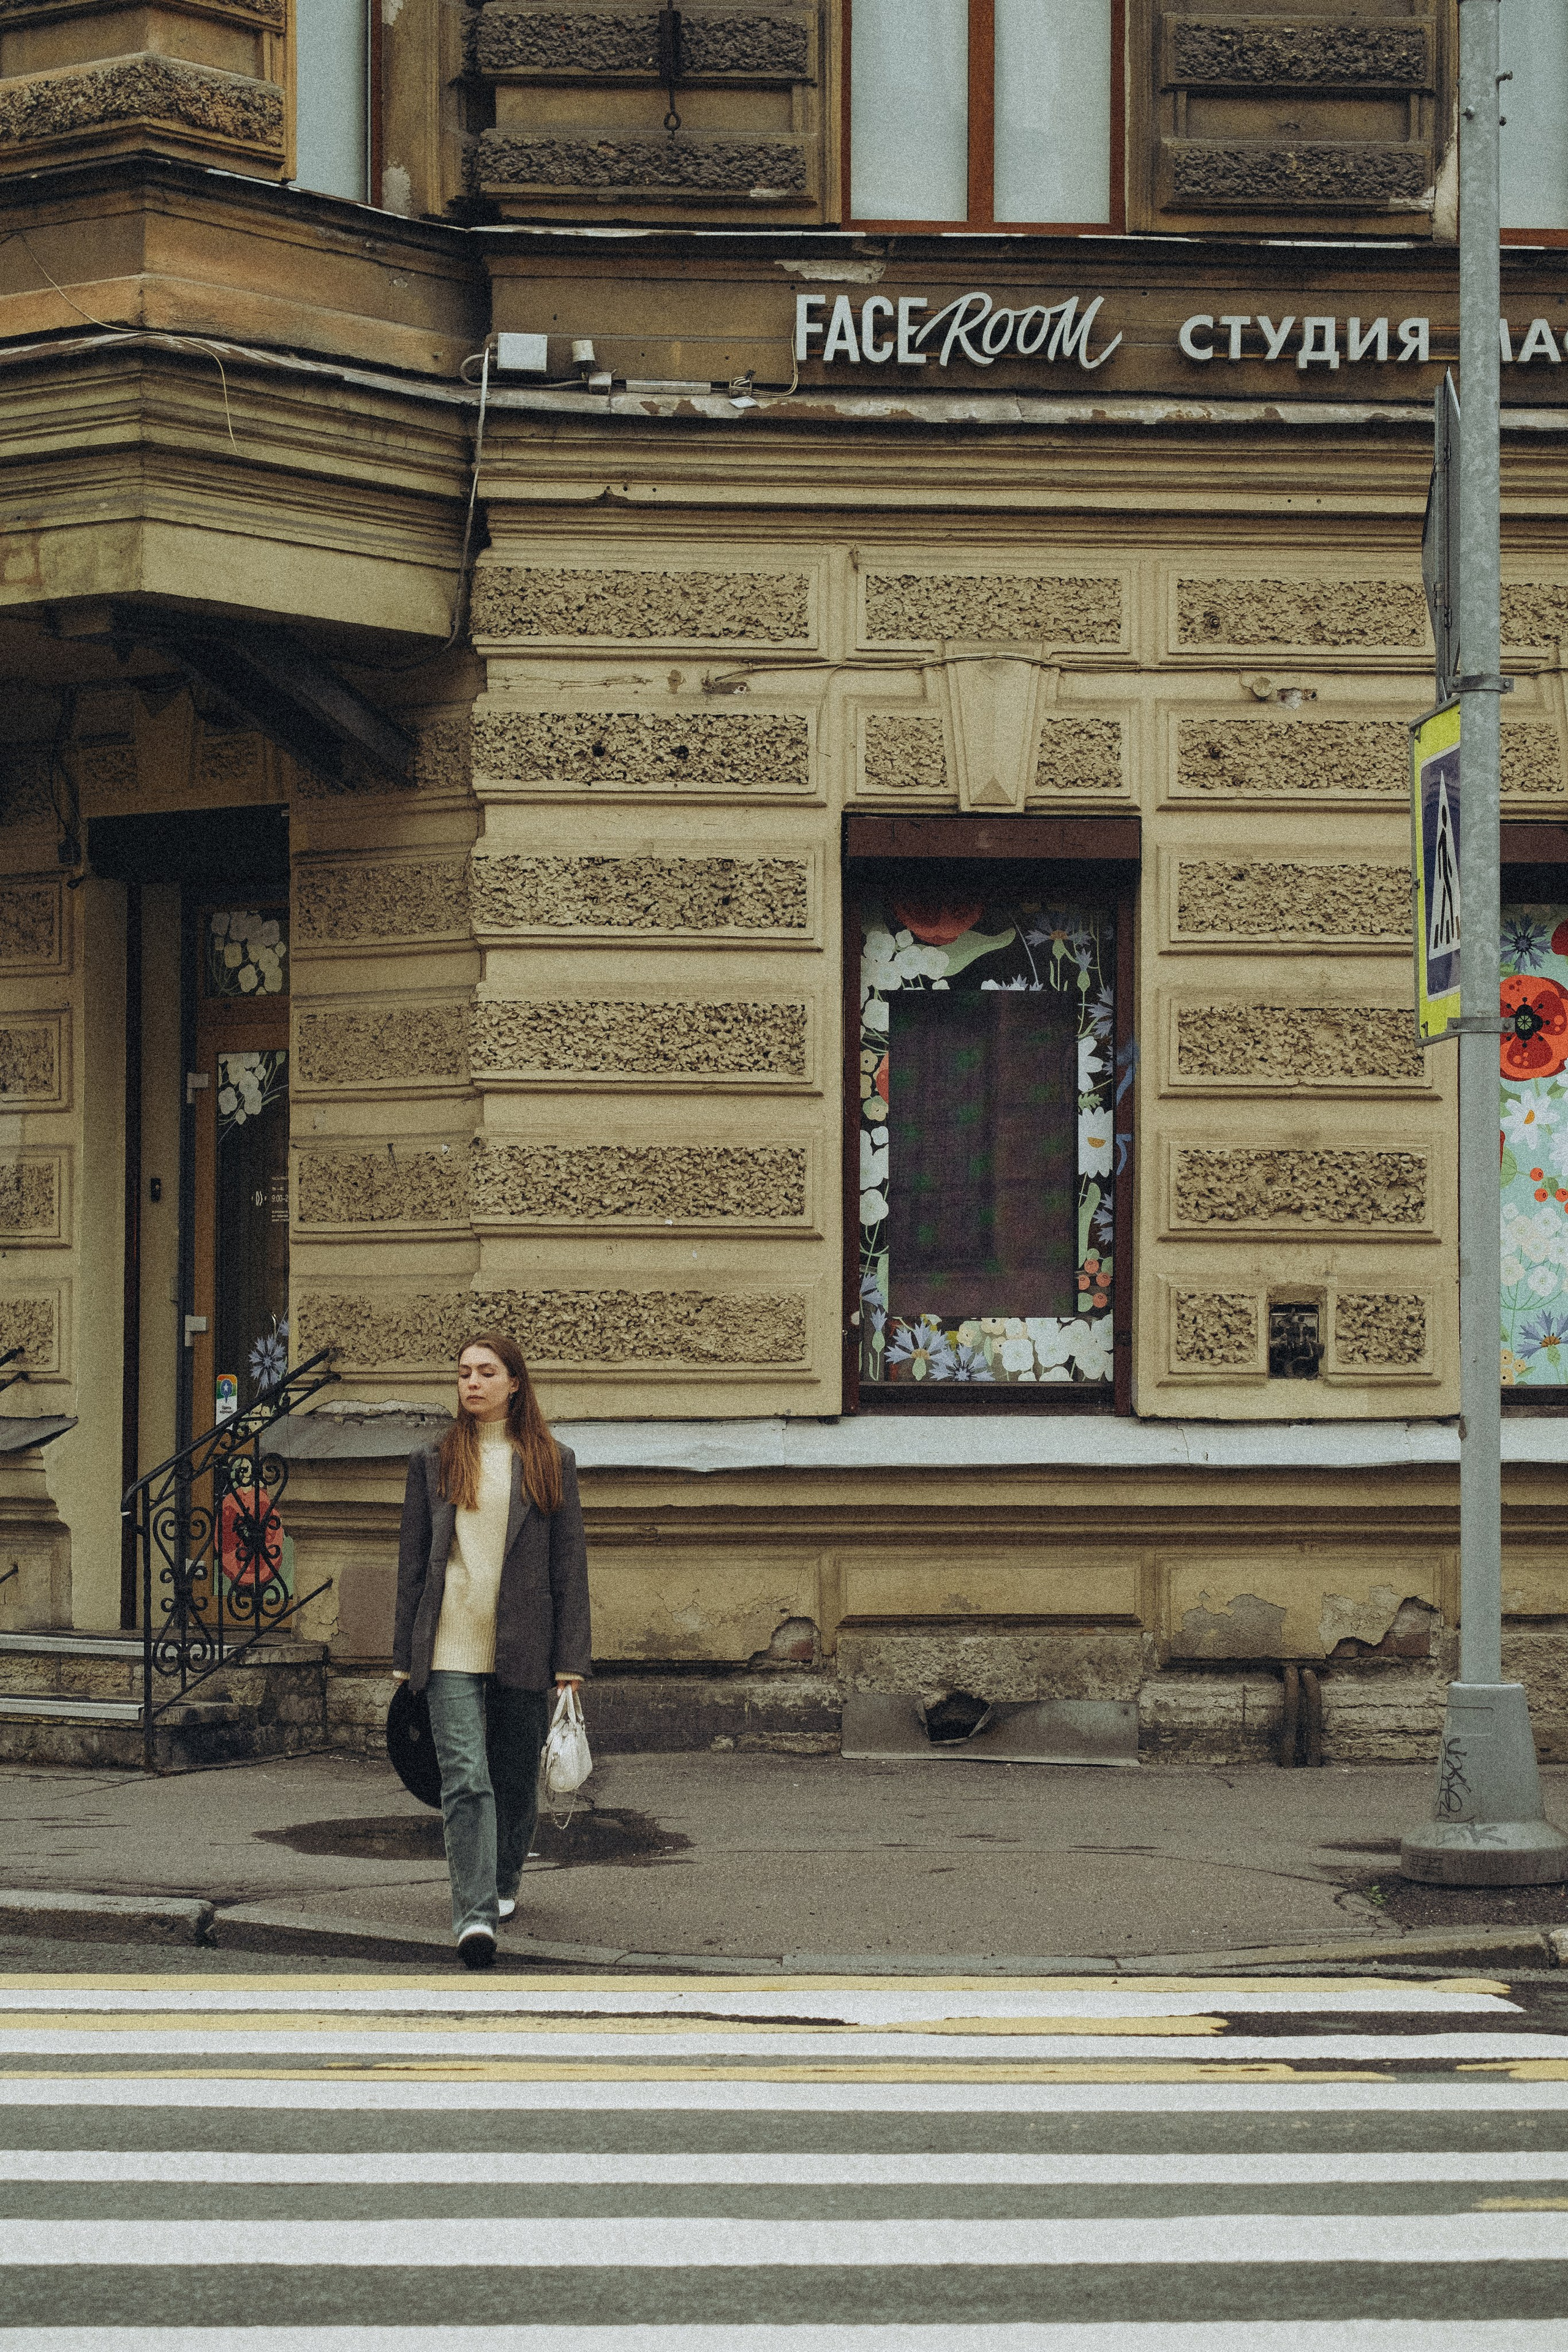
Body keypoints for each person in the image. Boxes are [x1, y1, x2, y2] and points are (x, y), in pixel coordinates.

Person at [392, 1331, 590, 1969]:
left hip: (524, 1642)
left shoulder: (550, 1460)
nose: (472, 1383)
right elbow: (412, 1564)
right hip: (449, 1640)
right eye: (463, 1373)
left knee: (513, 1778)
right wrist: (405, 1653)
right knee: (466, 1779)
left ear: (514, 1383)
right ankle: (474, 1918)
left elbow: (569, 1566)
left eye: (485, 1372)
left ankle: (504, 1881)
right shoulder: (433, 1460)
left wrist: (571, 1660)